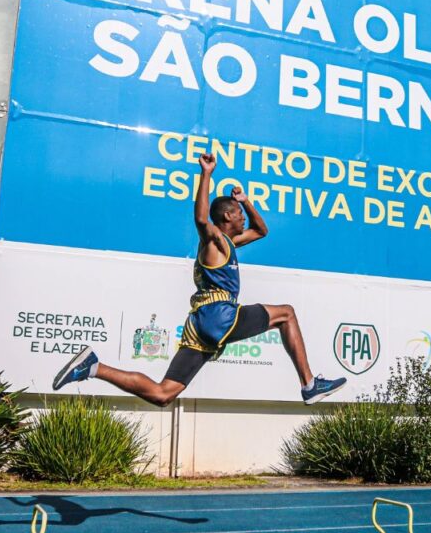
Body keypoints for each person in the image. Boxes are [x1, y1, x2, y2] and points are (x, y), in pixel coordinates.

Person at [52, 152, 347, 406]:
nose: (243, 217)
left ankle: (93, 367)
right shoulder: (214, 242)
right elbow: (202, 219)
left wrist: (246, 201)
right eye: (238, 213)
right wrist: (206, 174)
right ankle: (309, 385)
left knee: (163, 393)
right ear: (226, 218)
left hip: (200, 327)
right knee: (287, 314)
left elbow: (261, 231)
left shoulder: (229, 244)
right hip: (219, 316)